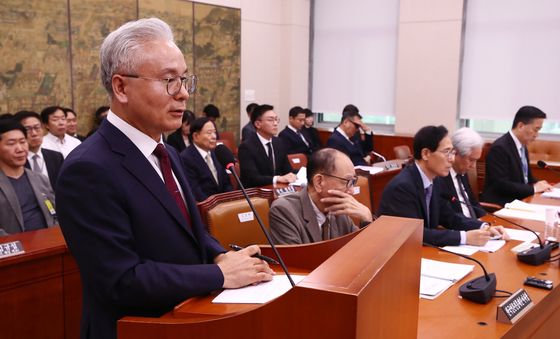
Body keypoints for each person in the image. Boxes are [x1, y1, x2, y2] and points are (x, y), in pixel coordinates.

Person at [55, 18, 273, 339]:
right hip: (137, 328)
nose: (184, 94)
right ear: (121, 87)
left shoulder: (165, 150)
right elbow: (120, 280)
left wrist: (217, 252)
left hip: (189, 318)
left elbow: (185, 227)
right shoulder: (88, 169)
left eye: (185, 79)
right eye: (169, 80)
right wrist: (217, 274)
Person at [378, 125, 509, 247]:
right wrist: (464, 238)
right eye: (446, 152)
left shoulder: (434, 181)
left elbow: (449, 216)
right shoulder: (402, 187)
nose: (452, 159)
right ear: (426, 154)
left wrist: (484, 227)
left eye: (452, 152)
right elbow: (415, 234)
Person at [269, 148, 371, 244]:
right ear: (319, 182)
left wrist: (366, 218)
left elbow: (361, 252)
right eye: (347, 181)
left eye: (353, 182)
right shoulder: (284, 210)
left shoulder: (339, 208)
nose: (352, 191)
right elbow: (297, 261)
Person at [482, 106, 552, 205]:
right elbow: (501, 185)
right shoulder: (499, 148)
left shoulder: (522, 146)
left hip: (520, 200)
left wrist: (540, 184)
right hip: (502, 203)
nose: (537, 135)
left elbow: (527, 178)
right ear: (520, 126)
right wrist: (534, 188)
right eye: (536, 129)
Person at [0, 119, 56, 236]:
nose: (20, 149)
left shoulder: (40, 179)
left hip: (50, 245)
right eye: (11, 143)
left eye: (22, 142)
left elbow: (54, 214)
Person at [238, 104, 296, 188]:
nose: (275, 123)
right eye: (270, 120)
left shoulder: (279, 142)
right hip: (253, 193)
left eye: (276, 120)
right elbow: (252, 178)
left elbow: (287, 170)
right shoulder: (246, 147)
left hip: (276, 189)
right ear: (258, 124)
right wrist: (277, 178)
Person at [180, 117, 233, 201]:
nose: (214, 136)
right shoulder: (186, 158)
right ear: (196, 136)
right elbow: (195, 191)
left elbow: (226, 182)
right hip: (205, 208)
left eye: (214, 132)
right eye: (209, 133)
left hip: (224, 206)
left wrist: (229, 201)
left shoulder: (217, 153)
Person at [440, 127, 487, 218]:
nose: (473, 166)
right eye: (471, 160)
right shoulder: (440, 177)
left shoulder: (462, 172)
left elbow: (473, 203)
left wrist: (488, 222)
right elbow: (449, 217)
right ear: (455, 153)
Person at [14, 111, 64, 191]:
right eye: (27, 129)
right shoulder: (16, 159)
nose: (34, 133)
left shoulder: (56, 157)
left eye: (37, 128)